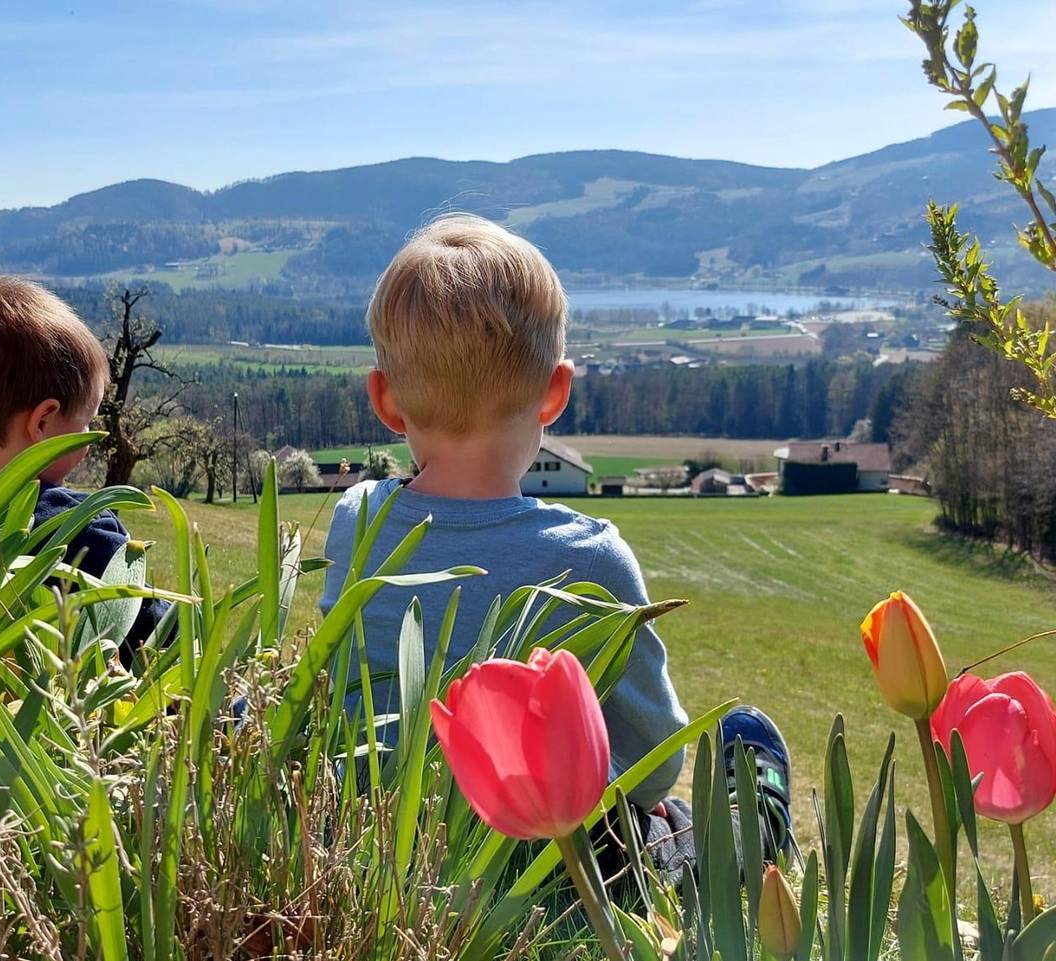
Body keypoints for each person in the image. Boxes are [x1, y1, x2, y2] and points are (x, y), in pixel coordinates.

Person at [318, 214, 793, 886]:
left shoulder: (353, 522)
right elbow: (652, 763)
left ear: (385, 402)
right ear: (556, 391)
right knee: (682, 824)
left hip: (381, 855)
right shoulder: (590, 561)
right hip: (559, 877)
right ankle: (752, 834)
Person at [0, 277, 166, 656]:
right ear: (43, 422)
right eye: (86, 423)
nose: (91, 438)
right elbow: (155, 642)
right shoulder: (81, 528)